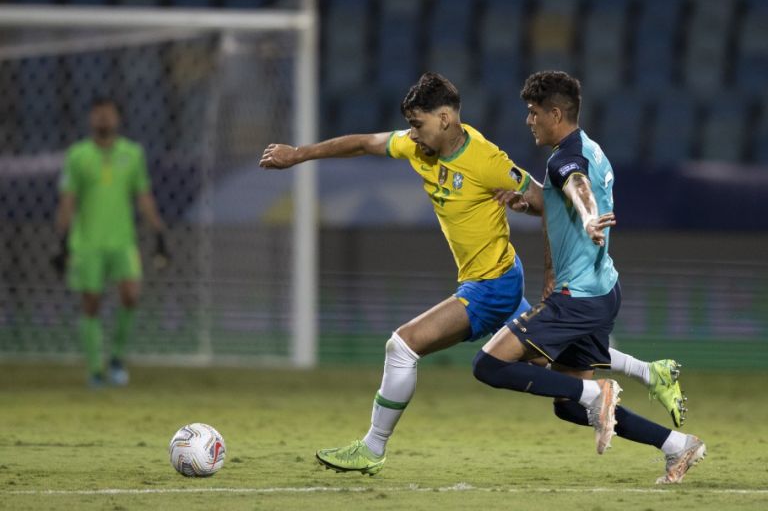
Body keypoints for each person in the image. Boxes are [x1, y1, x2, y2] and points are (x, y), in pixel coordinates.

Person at [260, 72, 684, 476]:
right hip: (493, 276)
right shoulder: (415, 147)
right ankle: (665, 418)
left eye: (418, 124)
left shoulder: (485, 159)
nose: (411, 132)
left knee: (403, 347)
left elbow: (546, 200)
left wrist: (551, 226)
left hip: (491, 284)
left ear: (445, 118)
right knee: (563, 382)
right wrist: (299, 154)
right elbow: (364, 143)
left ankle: (372, 448)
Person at [472, 71, 705, 484]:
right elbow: (566, 192)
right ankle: (677, 445)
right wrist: (528, 205)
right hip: (602, 290)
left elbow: (577, 185)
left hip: (576, 298)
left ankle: (600, 393)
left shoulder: (564, 158)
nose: (529, 121)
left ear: (556, 113)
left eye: (533, 112)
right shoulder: (593, 149)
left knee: (489, 365)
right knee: (566, 401)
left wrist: (589, 217)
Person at [54, 97, 168, 388]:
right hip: (87, 242)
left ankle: (116, 358)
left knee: (130, 295)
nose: (104, 119)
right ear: (91, 119)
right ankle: (95, 370)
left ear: (117, 119)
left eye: (109, 114)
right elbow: (68, 199)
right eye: (98, 114)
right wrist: (61, 240)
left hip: (122, 240)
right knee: (91, 303)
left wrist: (158, 233)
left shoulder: (132, 153)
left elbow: (143, 195)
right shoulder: (77, 155)